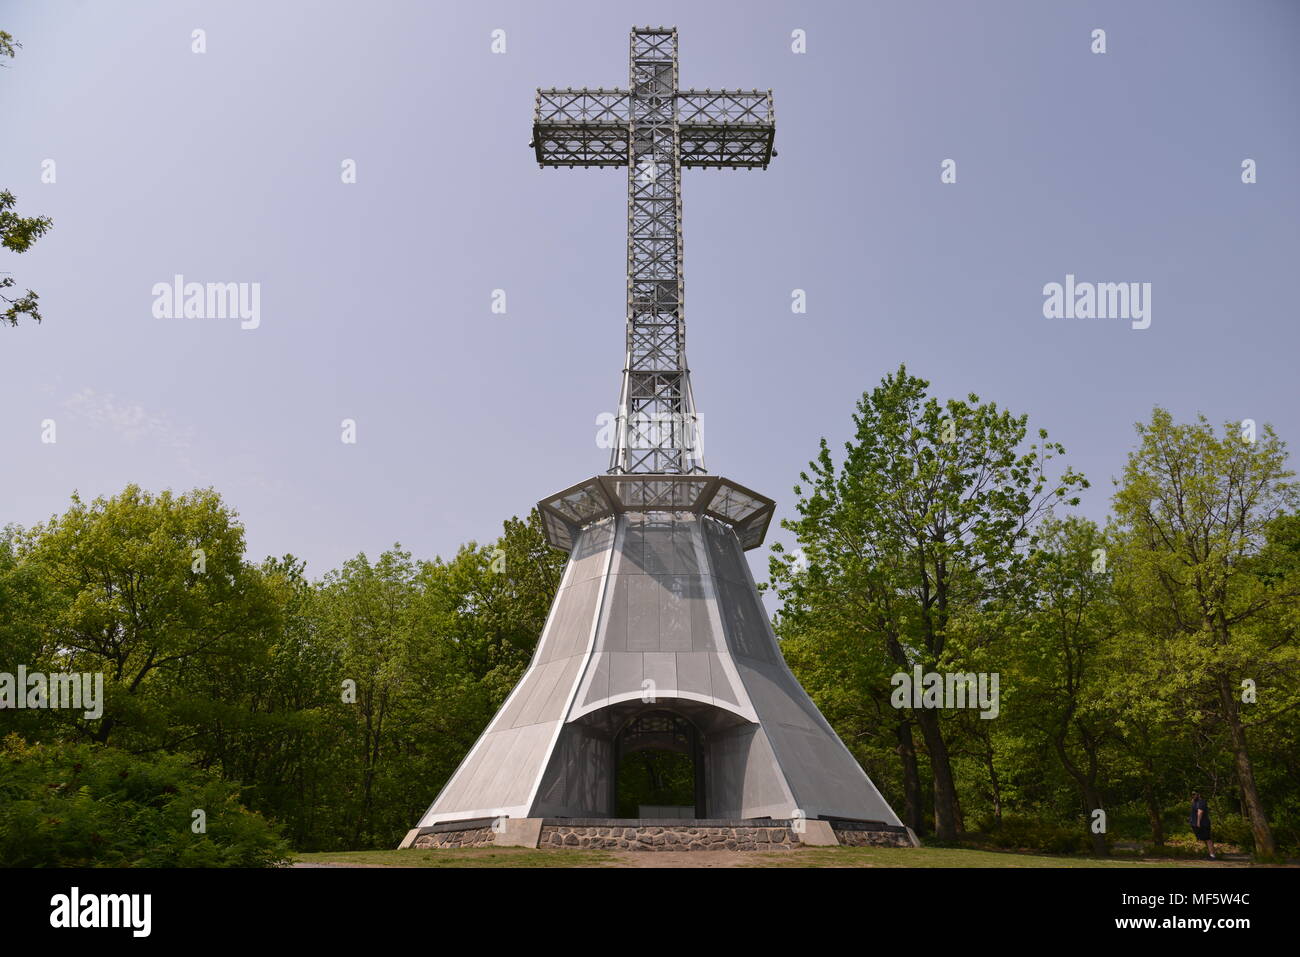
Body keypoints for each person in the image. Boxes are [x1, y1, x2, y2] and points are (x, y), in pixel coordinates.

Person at [1189, 791, 1215, 859]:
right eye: (1192, 794)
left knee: (1207, 839)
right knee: (1202, 839)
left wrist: (1198, 822)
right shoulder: (1195, 802)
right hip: (1196, 824)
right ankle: (1208, 854)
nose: (1193, 795)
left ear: (1199, 795)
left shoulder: (1201, 802)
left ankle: (1212, 855)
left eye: (1195, 794)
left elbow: (1200, 812)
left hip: (1203, 824)